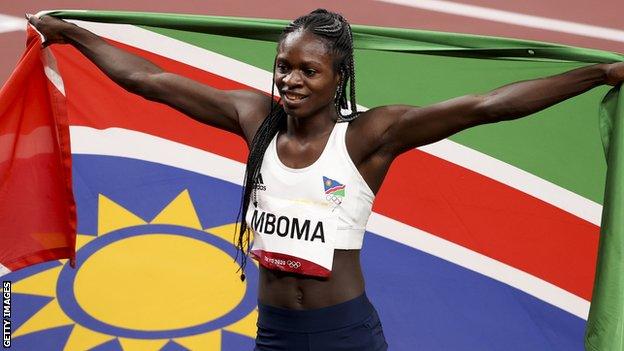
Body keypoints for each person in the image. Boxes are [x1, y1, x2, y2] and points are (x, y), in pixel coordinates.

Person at [28, 9, 623, 351]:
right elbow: (149, 82)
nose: (290, 79)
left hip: (343, 333)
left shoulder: (369, 137)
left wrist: (596, 72)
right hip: (276, 331)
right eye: (283, 66)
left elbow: (487, 105)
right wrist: (71, 34)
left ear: (338, 78)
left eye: (308, 70)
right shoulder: (253, 117)